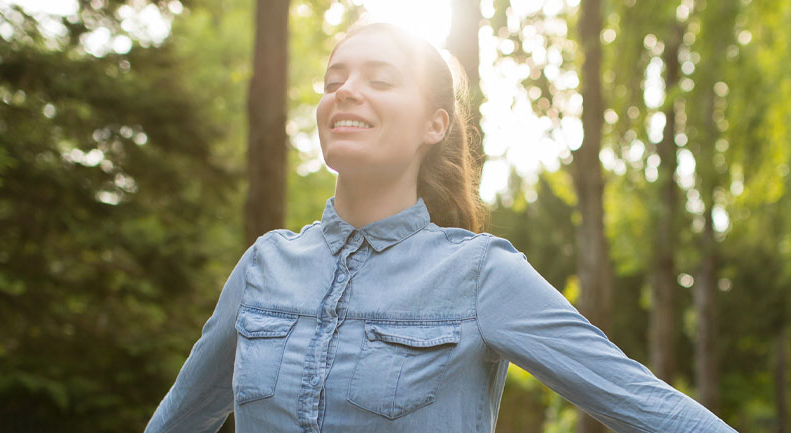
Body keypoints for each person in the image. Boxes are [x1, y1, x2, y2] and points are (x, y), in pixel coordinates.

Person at [144, 22, 738, 433]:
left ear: (435, 124)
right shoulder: (264, 265)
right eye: (334, 81)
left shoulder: (482, 274)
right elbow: (179, 419)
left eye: (380, 80)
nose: (346, 90)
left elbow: (642, 403)